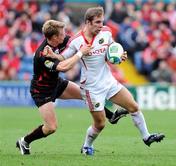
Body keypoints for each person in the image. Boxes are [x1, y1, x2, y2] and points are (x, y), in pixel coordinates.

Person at [52, 7, 164, 155]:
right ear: (88, 22)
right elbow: (64, 58)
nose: (100, 25)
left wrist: (119, 56)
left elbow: (111, 49)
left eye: (102, 22)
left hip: (108, 81)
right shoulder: (77, 41)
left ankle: (146, 136)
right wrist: (52, 55)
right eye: (97, 22)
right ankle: (86, 146)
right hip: (91, 88)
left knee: (134, 106)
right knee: (100, 124)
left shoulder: (106, 32)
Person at [16, 20, 128, 155]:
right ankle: (25, 141)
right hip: (41, 90)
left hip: (57, 83)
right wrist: (80, 53)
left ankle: (111, 116)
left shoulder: (63, 40)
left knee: (85, 94)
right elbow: (63, 67)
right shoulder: (43, 54)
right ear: (55, 37)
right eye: (63, 33)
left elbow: (84, 42)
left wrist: (114, 54)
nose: (66, 35)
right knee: (51, 127)